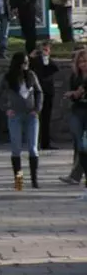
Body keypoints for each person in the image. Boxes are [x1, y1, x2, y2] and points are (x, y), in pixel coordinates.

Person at [0, 52, 43, 189]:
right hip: (15, 115)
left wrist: (37, 108)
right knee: (16, 148)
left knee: (33, 147)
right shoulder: (7, 78)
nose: (26, 66)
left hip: (31, 115)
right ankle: (19, 181)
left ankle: (34, 180)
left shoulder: (31, 75)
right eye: (23, 63)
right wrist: (6, 108)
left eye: (27, 63)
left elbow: (39, 92)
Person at [62, 48, 87, 200]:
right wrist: (73, 94)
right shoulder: (75, 76)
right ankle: (76, 176)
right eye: (80, 62)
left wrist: (82, 90)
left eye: (85, 61)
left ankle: (77, 176)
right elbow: (73, 94)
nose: (83, 64)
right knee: (79, 145)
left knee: (84, 145)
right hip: (78, 111)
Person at [29, 41, 59, 150]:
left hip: (48, 92)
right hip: (36, 92)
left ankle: (45, 143)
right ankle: (34, 142)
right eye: (43, 50)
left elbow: (54, 69)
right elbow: (26, 70)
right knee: (34, 117)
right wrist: (31, 57)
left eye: (47, 49)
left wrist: (46, 58)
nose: (45, 52)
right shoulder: (34, 61)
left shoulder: (49, 62)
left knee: (46, 118)